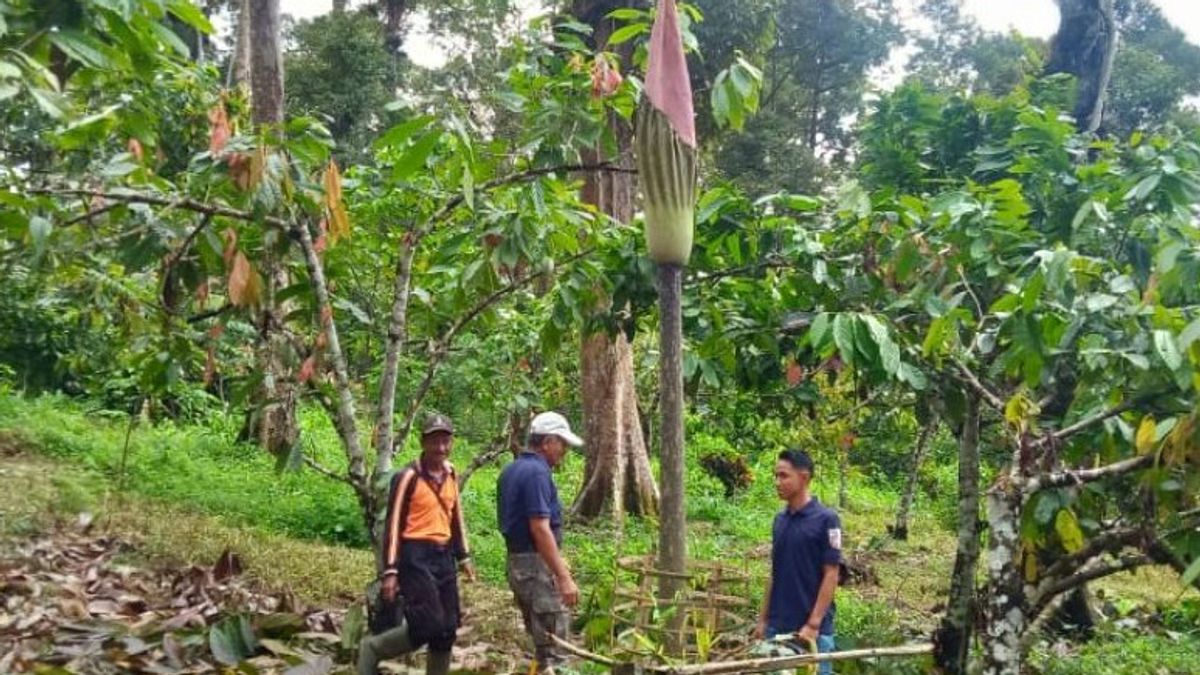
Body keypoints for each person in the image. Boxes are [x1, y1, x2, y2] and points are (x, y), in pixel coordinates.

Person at [358, 413, 476, 675]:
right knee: (428, 623)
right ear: (423, 443)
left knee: (447, 629)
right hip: (415, 555)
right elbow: (393, 524)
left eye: (446, 441)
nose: (441, 448)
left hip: (444, 555)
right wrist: (390, 571)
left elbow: (456, 517)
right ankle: (373, 649)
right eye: (435, 442)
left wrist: (464, 556)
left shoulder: (451, 473)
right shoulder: (408, 476)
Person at [497, 411, 584, 674]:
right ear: (547, 442)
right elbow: (539, 528)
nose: (565, 450)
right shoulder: (536, 473)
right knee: (556, 650)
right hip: (536, 567)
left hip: (518, 563)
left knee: (541, 644)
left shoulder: (511, 470)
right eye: (562, 443)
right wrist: (562, 575)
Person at [755, 449, 841, 675]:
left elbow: (831, 573)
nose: (777, 482)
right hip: (778, 626)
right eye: (776, 476)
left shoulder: (827, 520)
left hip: (812, 632)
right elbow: (774, 572)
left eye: (784, 476)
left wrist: (813, 624)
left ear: (804, 477)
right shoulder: (779, 521)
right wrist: (763, 619)